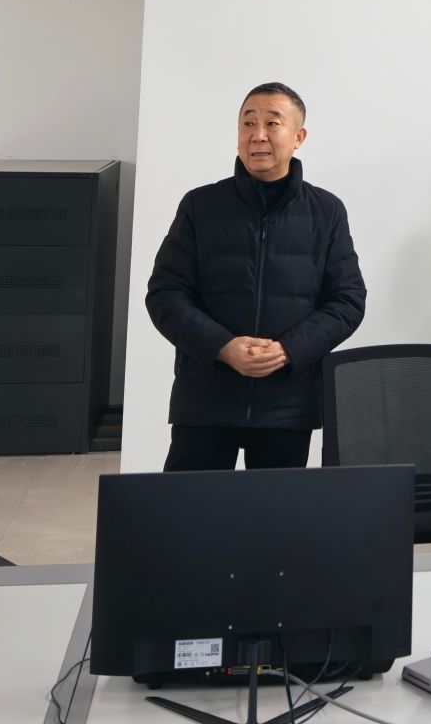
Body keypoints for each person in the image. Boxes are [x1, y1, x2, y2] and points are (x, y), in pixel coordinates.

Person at [146, 83, 366, 471]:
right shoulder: (200, 205)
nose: (257, 135)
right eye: (248, 123)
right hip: (206, 399)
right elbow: (165, 294)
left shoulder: (327, 211)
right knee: (188, 508)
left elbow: (347, 300)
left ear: (298, 137)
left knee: (274, 510)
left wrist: (288, 350)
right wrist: (223, 347)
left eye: (272, 123)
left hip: (287, 404)